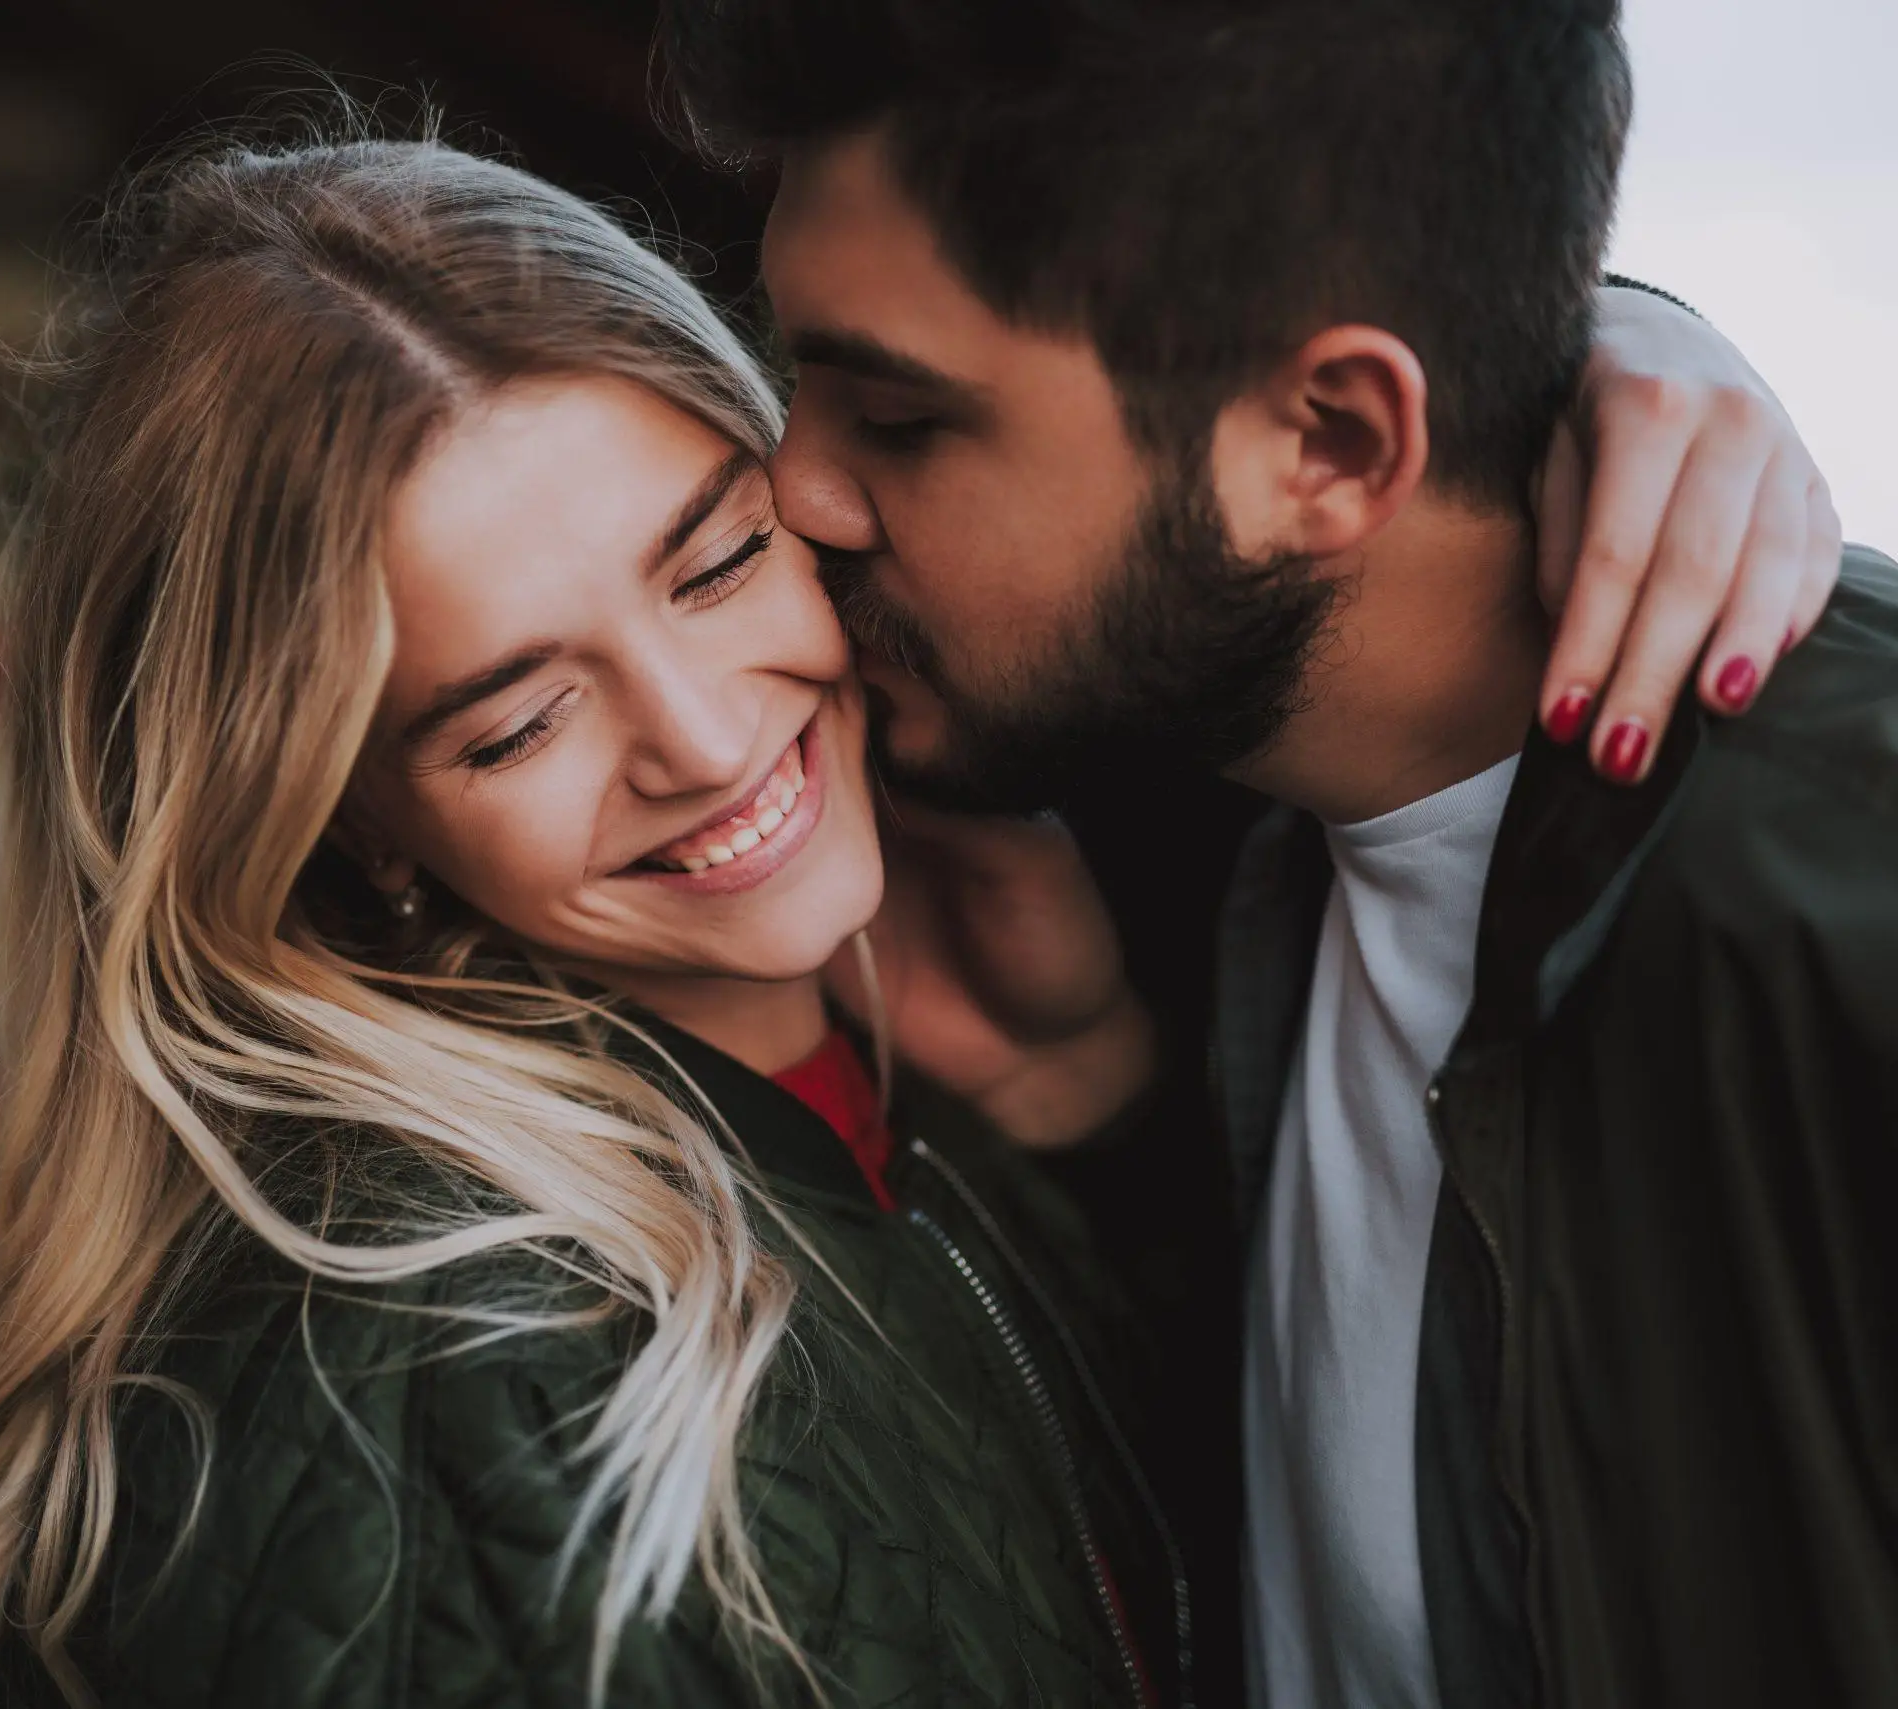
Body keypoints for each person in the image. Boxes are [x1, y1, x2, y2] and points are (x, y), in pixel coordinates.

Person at [0, 131, 1834, 1709]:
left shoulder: (931, 1013)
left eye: (717, 558)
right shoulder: (428, 1393)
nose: (700, 731)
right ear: (352, 830)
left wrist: (1590, 351)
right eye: (515, 716)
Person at [659, 2, 1896, 1707]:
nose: (799, 488)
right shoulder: (1174, 773)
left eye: (902, 415)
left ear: (1329, 445)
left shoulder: (1840, 903)